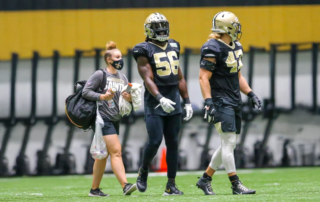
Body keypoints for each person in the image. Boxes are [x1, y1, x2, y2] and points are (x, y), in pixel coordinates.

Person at [196, 11, 262, 195]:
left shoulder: (236, 46)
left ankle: (205, 179)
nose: (238, 28)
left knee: (229, 143)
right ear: (227, 27)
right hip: (219, 99)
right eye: (235, 24)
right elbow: (203, 78)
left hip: (234, 98)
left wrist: (250, 93)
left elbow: (237, 75)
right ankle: (235, 184)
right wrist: (208, 102)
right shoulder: (212, 47)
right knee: (229, 141)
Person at [132, 12, 193, 196]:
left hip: (174, 99)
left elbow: (179, 76)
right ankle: (143, 171)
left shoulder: (174, 44)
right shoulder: (142, 49)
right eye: (157, 27)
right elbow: (147, 78)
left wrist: (187, 101)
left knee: (173, 143)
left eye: (163, 25)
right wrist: (160, 98)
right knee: (155, 141)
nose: (161, 30)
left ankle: (171, 185)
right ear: (149, 30)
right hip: (155, 102)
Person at [82, 41, 137, 197]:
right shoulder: (101, 74)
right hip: (102, 118)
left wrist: (130, 98)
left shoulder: (123, 77)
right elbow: (86, 91)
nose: (121, 60)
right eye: (117, 57)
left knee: (103, 155)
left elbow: (125, 99)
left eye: (121, 57)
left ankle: (94, 190)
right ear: (109, 60)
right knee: (116, 152)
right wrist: (102, 96)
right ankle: (125, 185)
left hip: (115, 118)